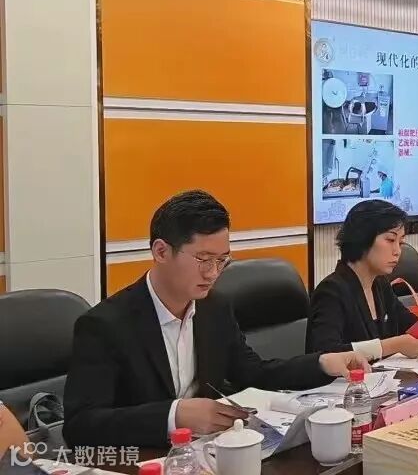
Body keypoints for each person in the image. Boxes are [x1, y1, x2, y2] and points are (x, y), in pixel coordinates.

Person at [64, 191, 370, 449]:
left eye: (221, 260)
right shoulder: (105, 325)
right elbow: (80, 425)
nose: (213, 273)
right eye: (203, 259)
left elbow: (254, 373)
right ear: (161, 251)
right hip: (143, 458)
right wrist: (173, 415)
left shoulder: (214, 307)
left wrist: (322, 363)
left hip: (209, 453)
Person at [307, 200, 418, 359]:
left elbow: (413, 328)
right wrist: (394, 345)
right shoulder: (331, 291)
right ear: (362, 238)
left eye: (401, 242)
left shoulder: (380, 284)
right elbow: (325, 355)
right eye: (390, 240)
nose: (398, 251)